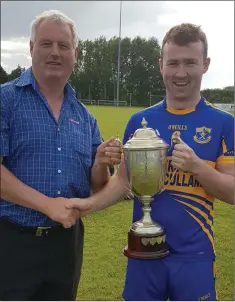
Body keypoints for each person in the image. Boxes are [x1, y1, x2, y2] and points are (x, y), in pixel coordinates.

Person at [67, 23, 234, 301]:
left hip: (195, 257)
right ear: (161, 65)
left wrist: (197, 167)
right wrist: (85, 206)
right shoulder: (140, 122)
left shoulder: (223, 124)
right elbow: (122, 183)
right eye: (173, 63)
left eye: (190, 62)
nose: (181, 73)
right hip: (143, 252)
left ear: (205, 64)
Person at [0, 10, 122, 301]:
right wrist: (47, 205)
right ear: (31, 49)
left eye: (63, 46)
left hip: (66, 246)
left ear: (75, 54)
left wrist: (100, 163)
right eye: (46, 44)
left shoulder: (85, 117)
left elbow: (99, 186)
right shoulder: (6, 100)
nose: (55, 52)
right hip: (12, 243)